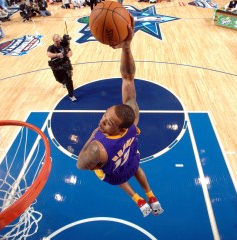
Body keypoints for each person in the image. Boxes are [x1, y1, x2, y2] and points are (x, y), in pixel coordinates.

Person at [77, 18, 164, 217]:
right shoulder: (132, 122)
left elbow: (80, 164)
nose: (102, 121)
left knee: (118, 176)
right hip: (131, 158)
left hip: (115, 172)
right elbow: (128, 78)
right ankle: (150, 195)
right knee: (136, 168)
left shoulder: (97, 148)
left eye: (108, 122)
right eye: (105, 115)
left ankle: (138, 199)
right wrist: (126, 47)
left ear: (119, 129)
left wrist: (92, 137)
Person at [47, 34, 77, 102]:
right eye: (57, 41)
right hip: (57, 67)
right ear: (54, 41)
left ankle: (71, 95)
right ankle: (63, 82)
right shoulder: (51, 47)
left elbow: (70, 51)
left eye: (59, 40)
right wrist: (57, 55)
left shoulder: (64, 45)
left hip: (66, 65)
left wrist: (70, 54)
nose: (58, 42)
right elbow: (48, 54)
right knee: (58, 79)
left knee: (69, 80)